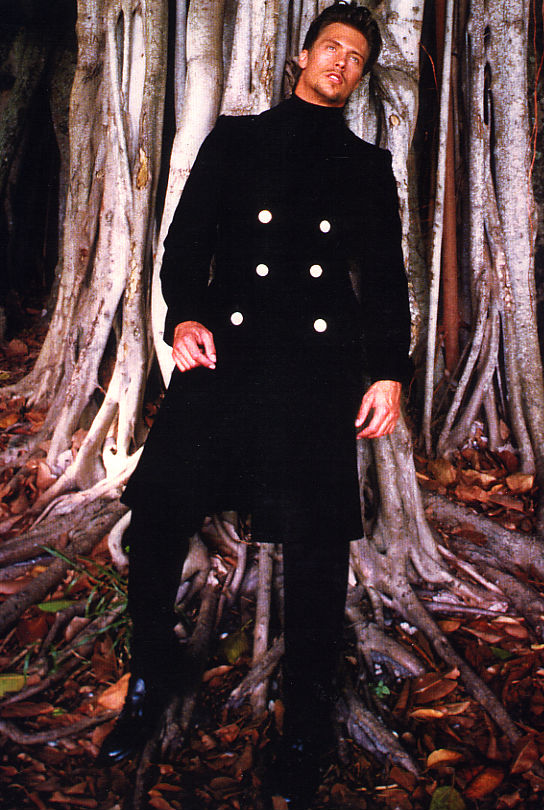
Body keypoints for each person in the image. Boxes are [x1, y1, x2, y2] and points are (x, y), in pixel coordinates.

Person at [98, 1, 412, 805]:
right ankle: (152, 675)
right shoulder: (235, 141)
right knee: (159, 511)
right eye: (331, 47)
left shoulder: (366, 166)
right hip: (227, 359)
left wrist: (388, 372)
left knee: (317, 547)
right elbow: (183, 245)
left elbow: (385, 280)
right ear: (301, 56)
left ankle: (305, 721)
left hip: (316, 372)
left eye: (356, 57)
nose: (341, 63)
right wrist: (184, 316)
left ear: (361, 76)